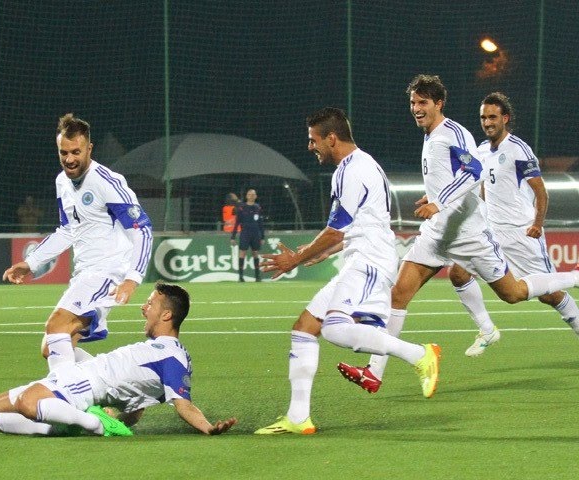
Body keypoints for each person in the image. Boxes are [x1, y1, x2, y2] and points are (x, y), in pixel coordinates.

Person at [337, 75, 579, 392]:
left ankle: (573, 276)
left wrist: (439, 201)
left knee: (514, 293)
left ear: (439, 103)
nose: (416, 108)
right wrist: (433, 196)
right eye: (413, 103)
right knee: (399, 293)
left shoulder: (451, 134)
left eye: (423, 102)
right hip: (438, 233)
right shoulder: (431, 136)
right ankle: (374, 373)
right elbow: (456, 179)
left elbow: (472, 172)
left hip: (469, 234)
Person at [254, 107, 441, 436]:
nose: (310, 146)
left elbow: (338, 229)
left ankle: (419, 355)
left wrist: (297, 259)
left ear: (331, 138)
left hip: (370, 261)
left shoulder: (352, 171)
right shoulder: (359, 165)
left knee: (335, 330)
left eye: (313, 140)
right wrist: (318, 253)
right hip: (363, 256)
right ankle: (299, 417)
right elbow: (360, 225)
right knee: (305, 328)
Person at [0, 283, 237, 437]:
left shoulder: (172, 356)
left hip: (87, 383)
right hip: (82, 374)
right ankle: (66, 424)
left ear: (167, 315)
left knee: (27, 402)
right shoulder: (156, 351)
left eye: (150, 304)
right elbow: (137, 403)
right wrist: (126, 418)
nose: (143, 308)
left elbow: (184, 404)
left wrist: (207, 428)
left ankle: (94, 423)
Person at [2, 113, 153, 371]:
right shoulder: (62, 182)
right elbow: (67, 231)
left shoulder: (108, 182)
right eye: (64, 153)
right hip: (84, 273)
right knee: (52, 347)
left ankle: (67, 403)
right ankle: (113, 386)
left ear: (89, 148)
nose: (69, 159)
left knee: (55, 327)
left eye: (76, 152)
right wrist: (31, 262)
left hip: (107, 273)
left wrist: (133, 278)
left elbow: (142, 229)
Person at [448, 92, 579, 356]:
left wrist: (537, 224)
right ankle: (486, 330)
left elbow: (541, 192)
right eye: (483, 117)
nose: (487, 122)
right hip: (490, 234)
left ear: (505, 118)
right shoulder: (481, 151)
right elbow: (482, 188)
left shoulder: (518, 149)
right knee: (458, 272)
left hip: (521, 234)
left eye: (492, 117)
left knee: (550, 295)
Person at [230, 188, 264, 282]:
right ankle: (241, 276)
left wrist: (262, 236)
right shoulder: (242, 207)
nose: (251, 196)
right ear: (246, 196)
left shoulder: (258, 207)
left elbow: (261, 223)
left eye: (253, 194)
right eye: (249, 194)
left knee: (255, 254)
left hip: (256, 233)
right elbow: (237, 223)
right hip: (245, 233)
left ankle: (257, 276)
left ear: (256, 196)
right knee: (242, 253)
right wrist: (233, 236)